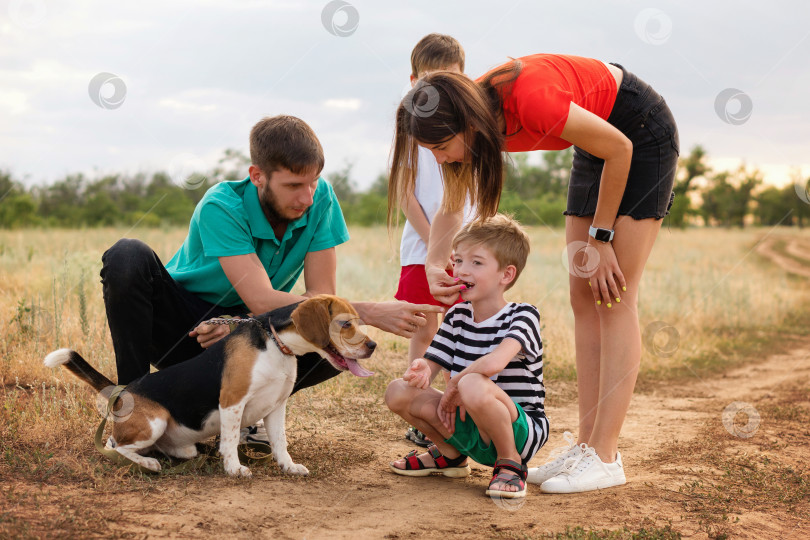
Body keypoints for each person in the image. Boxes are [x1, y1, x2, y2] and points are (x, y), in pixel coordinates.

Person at [388, 54, 679, 493]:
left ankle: (605, 456)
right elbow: (451, 207)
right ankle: (585, 448)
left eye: (440, 147)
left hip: (637, 134)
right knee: (584, 297)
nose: (439, 158)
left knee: (614, 295)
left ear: (466, 126)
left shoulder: (529, 101)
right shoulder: (468, 119)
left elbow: (620, 148)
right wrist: (433, 263)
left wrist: (599, 240)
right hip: (596, 143)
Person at [101, 115, 444, 401]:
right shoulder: (221, 204)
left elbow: (318, 297)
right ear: (257, 176)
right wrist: (368, 312)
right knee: (127, 254)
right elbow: (263, 298)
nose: (307, 197)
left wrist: (239, 328)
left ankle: (248, 413)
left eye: (313, 183)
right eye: (294, 185)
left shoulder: (320, 198)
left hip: (247, 328)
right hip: (185, 329)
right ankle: (133, 400)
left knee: (333, 345)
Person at [386, 214, 548, 499]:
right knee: (398, 391)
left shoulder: (523, 315)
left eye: (476, 262)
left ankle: (510, 463)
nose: (461, 270)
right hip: (468, 423)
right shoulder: (458, 316)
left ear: (506, 275)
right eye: (458, 260)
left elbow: (495, 363)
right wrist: (422, 368)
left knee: (472, 382)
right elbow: (435, 358)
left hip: (519, 431)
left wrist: (455, 384)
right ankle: (450, 455)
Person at [396, 33, 475, 447]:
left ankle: (460, 411)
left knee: (464, 331)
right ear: (413, 80)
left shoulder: (469, 123)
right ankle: (420, 410)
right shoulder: (409, 129)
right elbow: (405, 193)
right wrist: (434, 246)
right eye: (430, 80)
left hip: (468, 250)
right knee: (424, 328)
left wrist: (456, 250)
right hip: (421, 248)